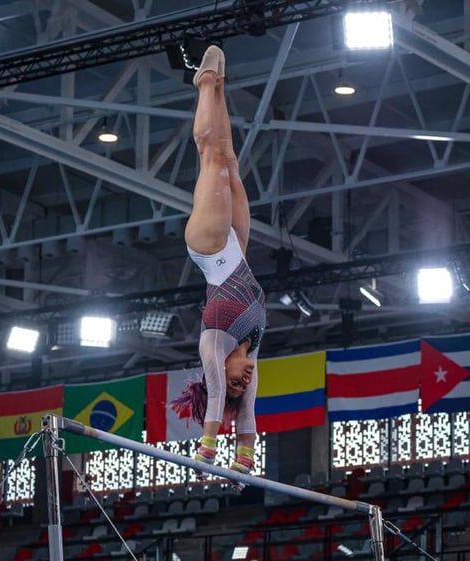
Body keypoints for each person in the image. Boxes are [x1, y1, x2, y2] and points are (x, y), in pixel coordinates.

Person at [170, 44, 266, 482]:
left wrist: (206, 455)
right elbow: (247, 415)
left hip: (209, 248)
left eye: (236, 382)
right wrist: (244, 459)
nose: (244, 379)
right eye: (245, 383)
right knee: (229, 161)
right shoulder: (253, 344)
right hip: (236, 251)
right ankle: (220, 87)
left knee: (209, 155)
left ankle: (204, 83)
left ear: (219, 374)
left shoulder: (213, 346)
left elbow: (215, 401)